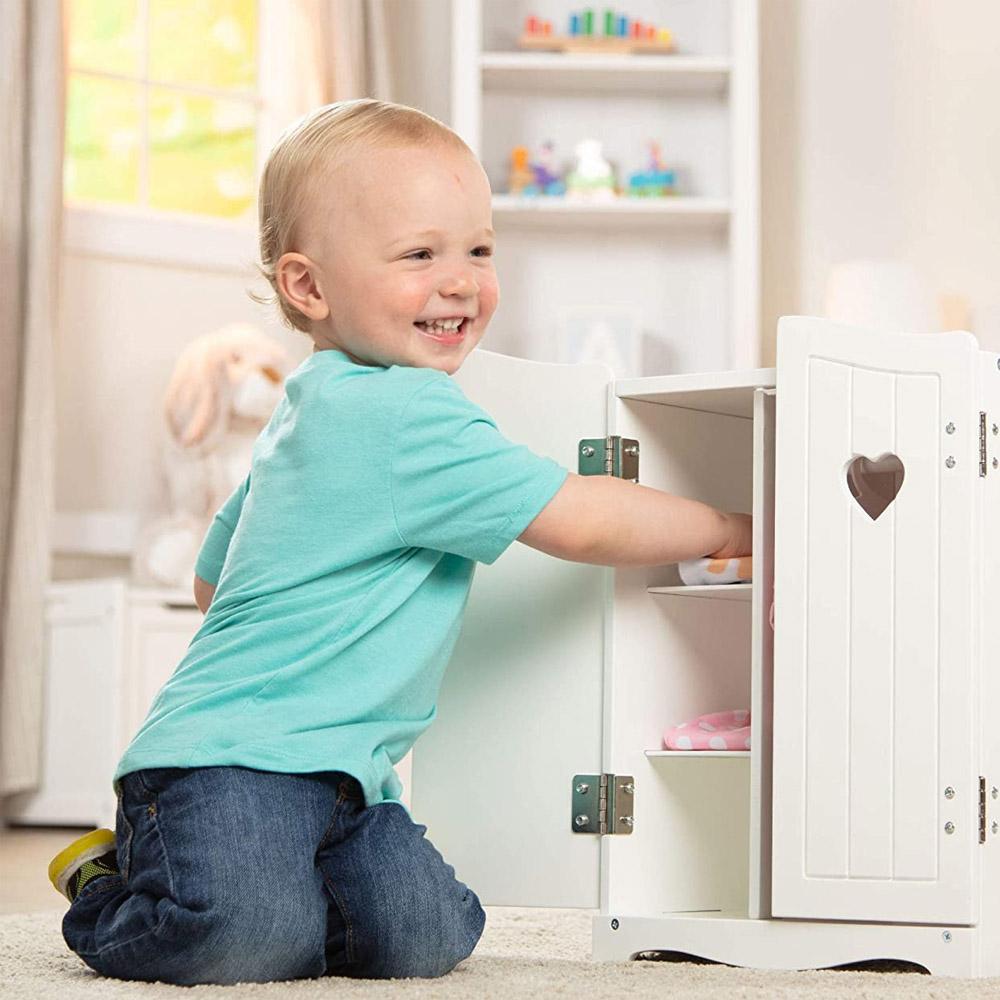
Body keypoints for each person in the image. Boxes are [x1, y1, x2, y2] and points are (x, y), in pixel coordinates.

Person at [49, 100, 752, 986]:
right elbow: (580, 515)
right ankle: (107, 885)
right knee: (237, 937)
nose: (460, 280)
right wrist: (730, 527)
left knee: (427, 938)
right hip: (227, 762)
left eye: (480, 249)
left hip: (350, 778)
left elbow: (212, 578)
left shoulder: (314, 403)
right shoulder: (398, 411)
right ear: (310, 287)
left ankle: (272, 892)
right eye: (421, 254)